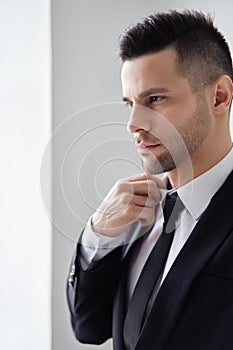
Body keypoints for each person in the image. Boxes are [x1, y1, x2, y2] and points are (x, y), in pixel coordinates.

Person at [67, 10, 233, 350]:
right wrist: (99, 234)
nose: (133, 124)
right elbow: (89, 328)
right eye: (129, 103)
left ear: (219, 96)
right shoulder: (132, 215)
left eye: (155, 100)